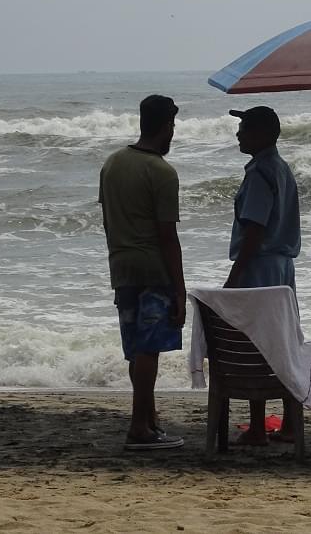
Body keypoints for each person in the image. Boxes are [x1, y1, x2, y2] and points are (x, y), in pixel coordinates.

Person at [99, 94, 187, 450]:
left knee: (136, 350)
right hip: (153, 269)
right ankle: (139, 426)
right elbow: (168, 236)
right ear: (166, 126)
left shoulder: (113, 163)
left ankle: (148, 420)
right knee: (150, 350)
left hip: (121, 266)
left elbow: (107, 219)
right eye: (173, 126)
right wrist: (179, 291)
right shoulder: (162, 172)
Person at [225, 105, 301, 444]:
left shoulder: (260, 172)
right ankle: (289, 423)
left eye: (245, 128)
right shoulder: (281, 168)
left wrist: (233, 279)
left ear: (262, 134)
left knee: (257, 343)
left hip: (260, 266)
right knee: (283, 341)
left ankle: (257, 427)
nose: (239, 133)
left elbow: (253, 230)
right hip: (282, 267)